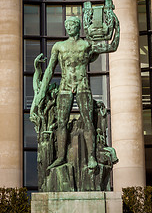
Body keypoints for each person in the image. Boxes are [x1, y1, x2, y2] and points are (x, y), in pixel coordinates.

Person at [35, 16, 118, 170]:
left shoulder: (87, 45)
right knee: (61, 122)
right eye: (67, 24)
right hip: (65, 86)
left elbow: (112, 46)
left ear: (78, 27)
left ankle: (92, 157)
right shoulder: (59, 46)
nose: (69, 26)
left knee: (88, 121)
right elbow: (50, 70)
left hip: (82, 85)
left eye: (73, 24)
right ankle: (60, 157)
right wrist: (41, 92)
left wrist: (115, 25)